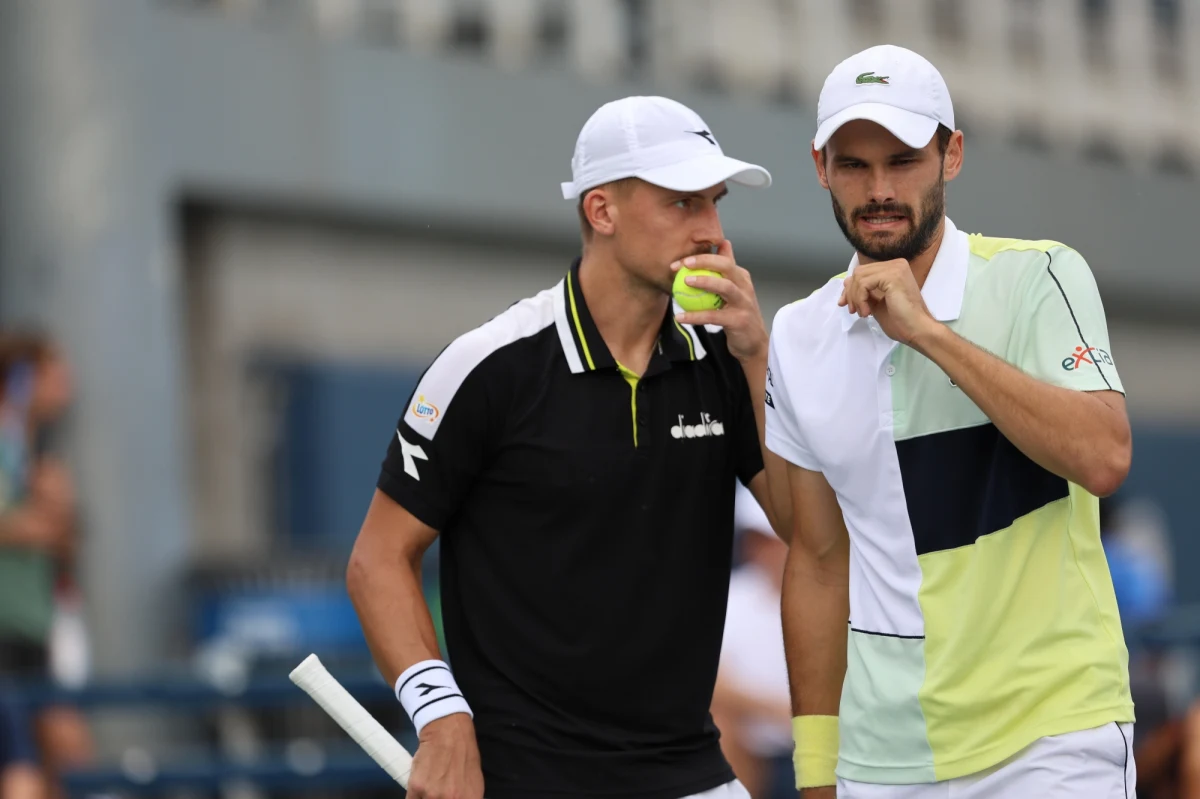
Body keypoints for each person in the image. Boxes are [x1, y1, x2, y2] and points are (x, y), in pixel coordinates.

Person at [347, 95, 791, 799]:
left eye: (714, 202)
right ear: (601, 210)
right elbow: (377, 559)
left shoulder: (727, 359)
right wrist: (441, 719)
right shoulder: (490, 365)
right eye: (681, 202)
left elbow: (803, 528)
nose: (710, 229)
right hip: (525, 778)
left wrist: (757, 355)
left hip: (692, 770)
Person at [765, 45, 1135, 798]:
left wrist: (928, 332)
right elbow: (817, 563)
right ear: (819, 166)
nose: (878, 189)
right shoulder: (798, 334)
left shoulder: (1043, 275)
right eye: (853, 165)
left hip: (1052, 738)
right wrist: (816, 769)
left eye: (903, 159)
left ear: (951, 155)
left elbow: (1103, 455)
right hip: (878, 760)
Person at [0, 333, 95, 799]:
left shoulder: (36, 450)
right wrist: (50, 517)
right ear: (19, 380)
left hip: (33, 629)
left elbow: (67, 542)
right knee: (22, 768)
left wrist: (57, 515)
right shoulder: (6, 444)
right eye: (52, 375)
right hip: (6, 630)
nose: (67, 385)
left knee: (63, 754)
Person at [711, 484, 792, 799]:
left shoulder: (846, 596)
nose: (764, 550)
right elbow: (708, 684)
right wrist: (778, 711)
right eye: (758, 540)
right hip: (755, 754)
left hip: (832, 748)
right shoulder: (730, 598)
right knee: (719, 724)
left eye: (772, 540)